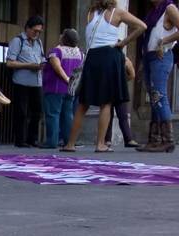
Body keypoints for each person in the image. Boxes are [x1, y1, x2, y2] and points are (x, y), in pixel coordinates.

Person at [62, 1, 146, 152]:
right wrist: (123, 43)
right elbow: (142, 26)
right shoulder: (117, 13)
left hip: (92, 57)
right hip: (109, 55)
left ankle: (70, 144)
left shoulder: (90, 14)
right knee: (106, 102)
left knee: (83, 104)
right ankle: (100, 143)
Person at [137, 0, 179, 152]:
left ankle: (168, 140)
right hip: (149, 56)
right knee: (154, 97)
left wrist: (164, 41)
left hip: (161, 55)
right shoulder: (154, 12)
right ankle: (154, 139)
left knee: (158, 95)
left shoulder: (169, 8)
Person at [7, 16, 46, 148]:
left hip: (37, 82)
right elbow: (10, 62)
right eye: (35, 31)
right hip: (21, 82)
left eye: (39, 31)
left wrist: (43, 64)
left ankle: (32, 139)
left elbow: (41, 57)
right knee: (22, 112)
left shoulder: (38, 43)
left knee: (37, 111)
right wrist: (29, 65)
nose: (37, 34)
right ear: (28, 28)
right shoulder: (18, 41)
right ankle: (20, 140)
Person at [41, 29, 83, 148]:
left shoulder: (56, 51)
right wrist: (73, 83)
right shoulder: (80, 53)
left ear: (64, 38)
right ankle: (68, 141)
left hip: (55, 87)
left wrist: (66, 79)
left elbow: (57, 67)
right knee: (67, 115)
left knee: (53, 114)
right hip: (70, 90)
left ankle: (52, 142)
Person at [105, 56, 139, 147]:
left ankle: (110, 140)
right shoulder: (125, 59)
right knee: (117, 115)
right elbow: (132, 75)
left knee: (116, 115)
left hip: (113, 89)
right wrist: (122, 81)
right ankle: (127, 139)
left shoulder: (124, 59)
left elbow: (132, 74)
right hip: (119, 89)